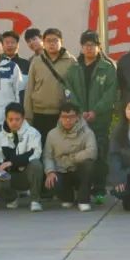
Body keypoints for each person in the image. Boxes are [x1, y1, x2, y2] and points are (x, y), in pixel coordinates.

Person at [65, 30, 117, 203]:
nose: (89, 48)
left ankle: (100, 189)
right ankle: (82, 189)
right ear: (81, 47)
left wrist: (96, 111)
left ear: (98, 47)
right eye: (86, 45)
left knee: (100, 154)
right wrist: (79, 112)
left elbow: (111, 93)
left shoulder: (107, 68)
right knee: (80, 155)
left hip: (100, 120)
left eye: (92, 45)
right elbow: (68, 91)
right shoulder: (74, 68)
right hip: (78, 120)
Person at [43, 102, 98, 211]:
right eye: (64, 117)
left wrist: (71, 159)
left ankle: (83, 200)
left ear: (77, 117)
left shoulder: (87, 132)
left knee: (89, 165)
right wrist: (50, 171)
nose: (67, 120)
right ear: (60, 117)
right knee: (52, 180)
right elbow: (47, 156)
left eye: (71, 117)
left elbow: (92, 152)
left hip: (78, 169)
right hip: (61, 170)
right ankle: (67, 197)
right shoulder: (52, 134)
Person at [24, 28, 76, 144]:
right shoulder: (36, 61)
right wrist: (28, 115)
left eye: (55, 40)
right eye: (48, 41)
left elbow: (75, 89)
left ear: (61, 42)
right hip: (39, 113)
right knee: (40, 146)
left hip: (62, 114)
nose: (52, 44)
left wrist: (73, 111)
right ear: (44, 42)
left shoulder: (71, 61)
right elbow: (29, 88)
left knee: (60, 147)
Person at [0, 102, 45, 211]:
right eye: (10, 119)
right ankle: (12, 198)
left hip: (27, 174)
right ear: (6, 119)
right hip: (10, 176)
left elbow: (35, 154)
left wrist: (11, 162)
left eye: (17, 119)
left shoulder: (33, 133)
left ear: (23, 118)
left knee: (36, 164)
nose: (14, 122)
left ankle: (35, 200)